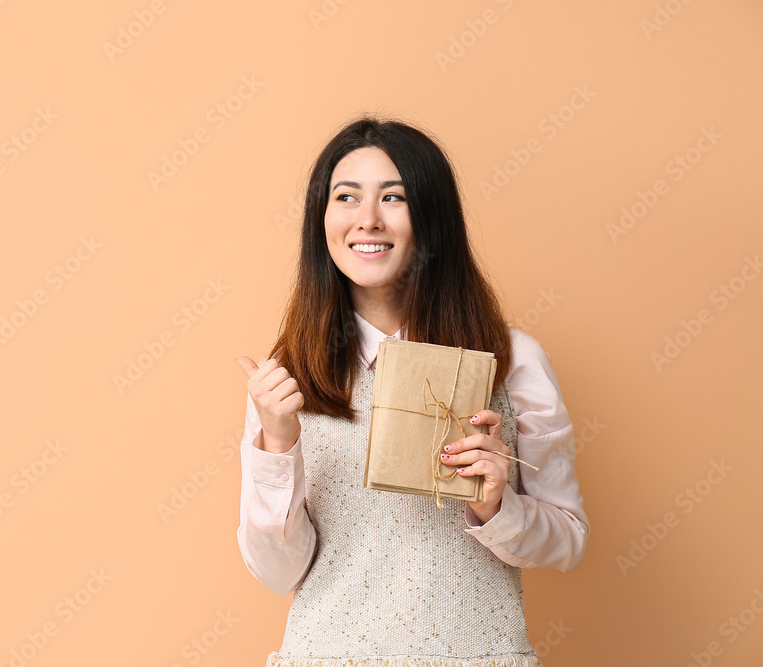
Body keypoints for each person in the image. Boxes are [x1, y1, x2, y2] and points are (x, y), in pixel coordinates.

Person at [233, 114, 590, 667]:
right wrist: (278, 445)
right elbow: (278, 573)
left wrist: (495, 505)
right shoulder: (289, 373)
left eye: (393, 197)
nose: (367, 220)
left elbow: (566, 542)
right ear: (321, 220)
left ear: (432, 217)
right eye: (346, 197)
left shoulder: (512, 360)